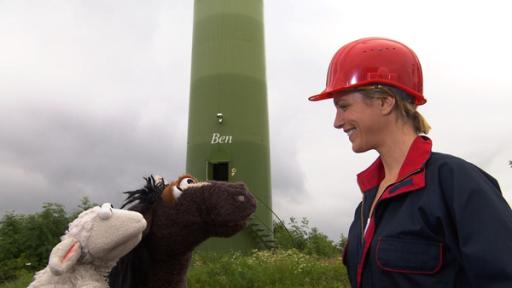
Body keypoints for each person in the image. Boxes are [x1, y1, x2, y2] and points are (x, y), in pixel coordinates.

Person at [309, 37, 512, 288]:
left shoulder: (457, 183)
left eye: (344, 106)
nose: (337, 122)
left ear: (384, 102)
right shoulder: (367, 203)